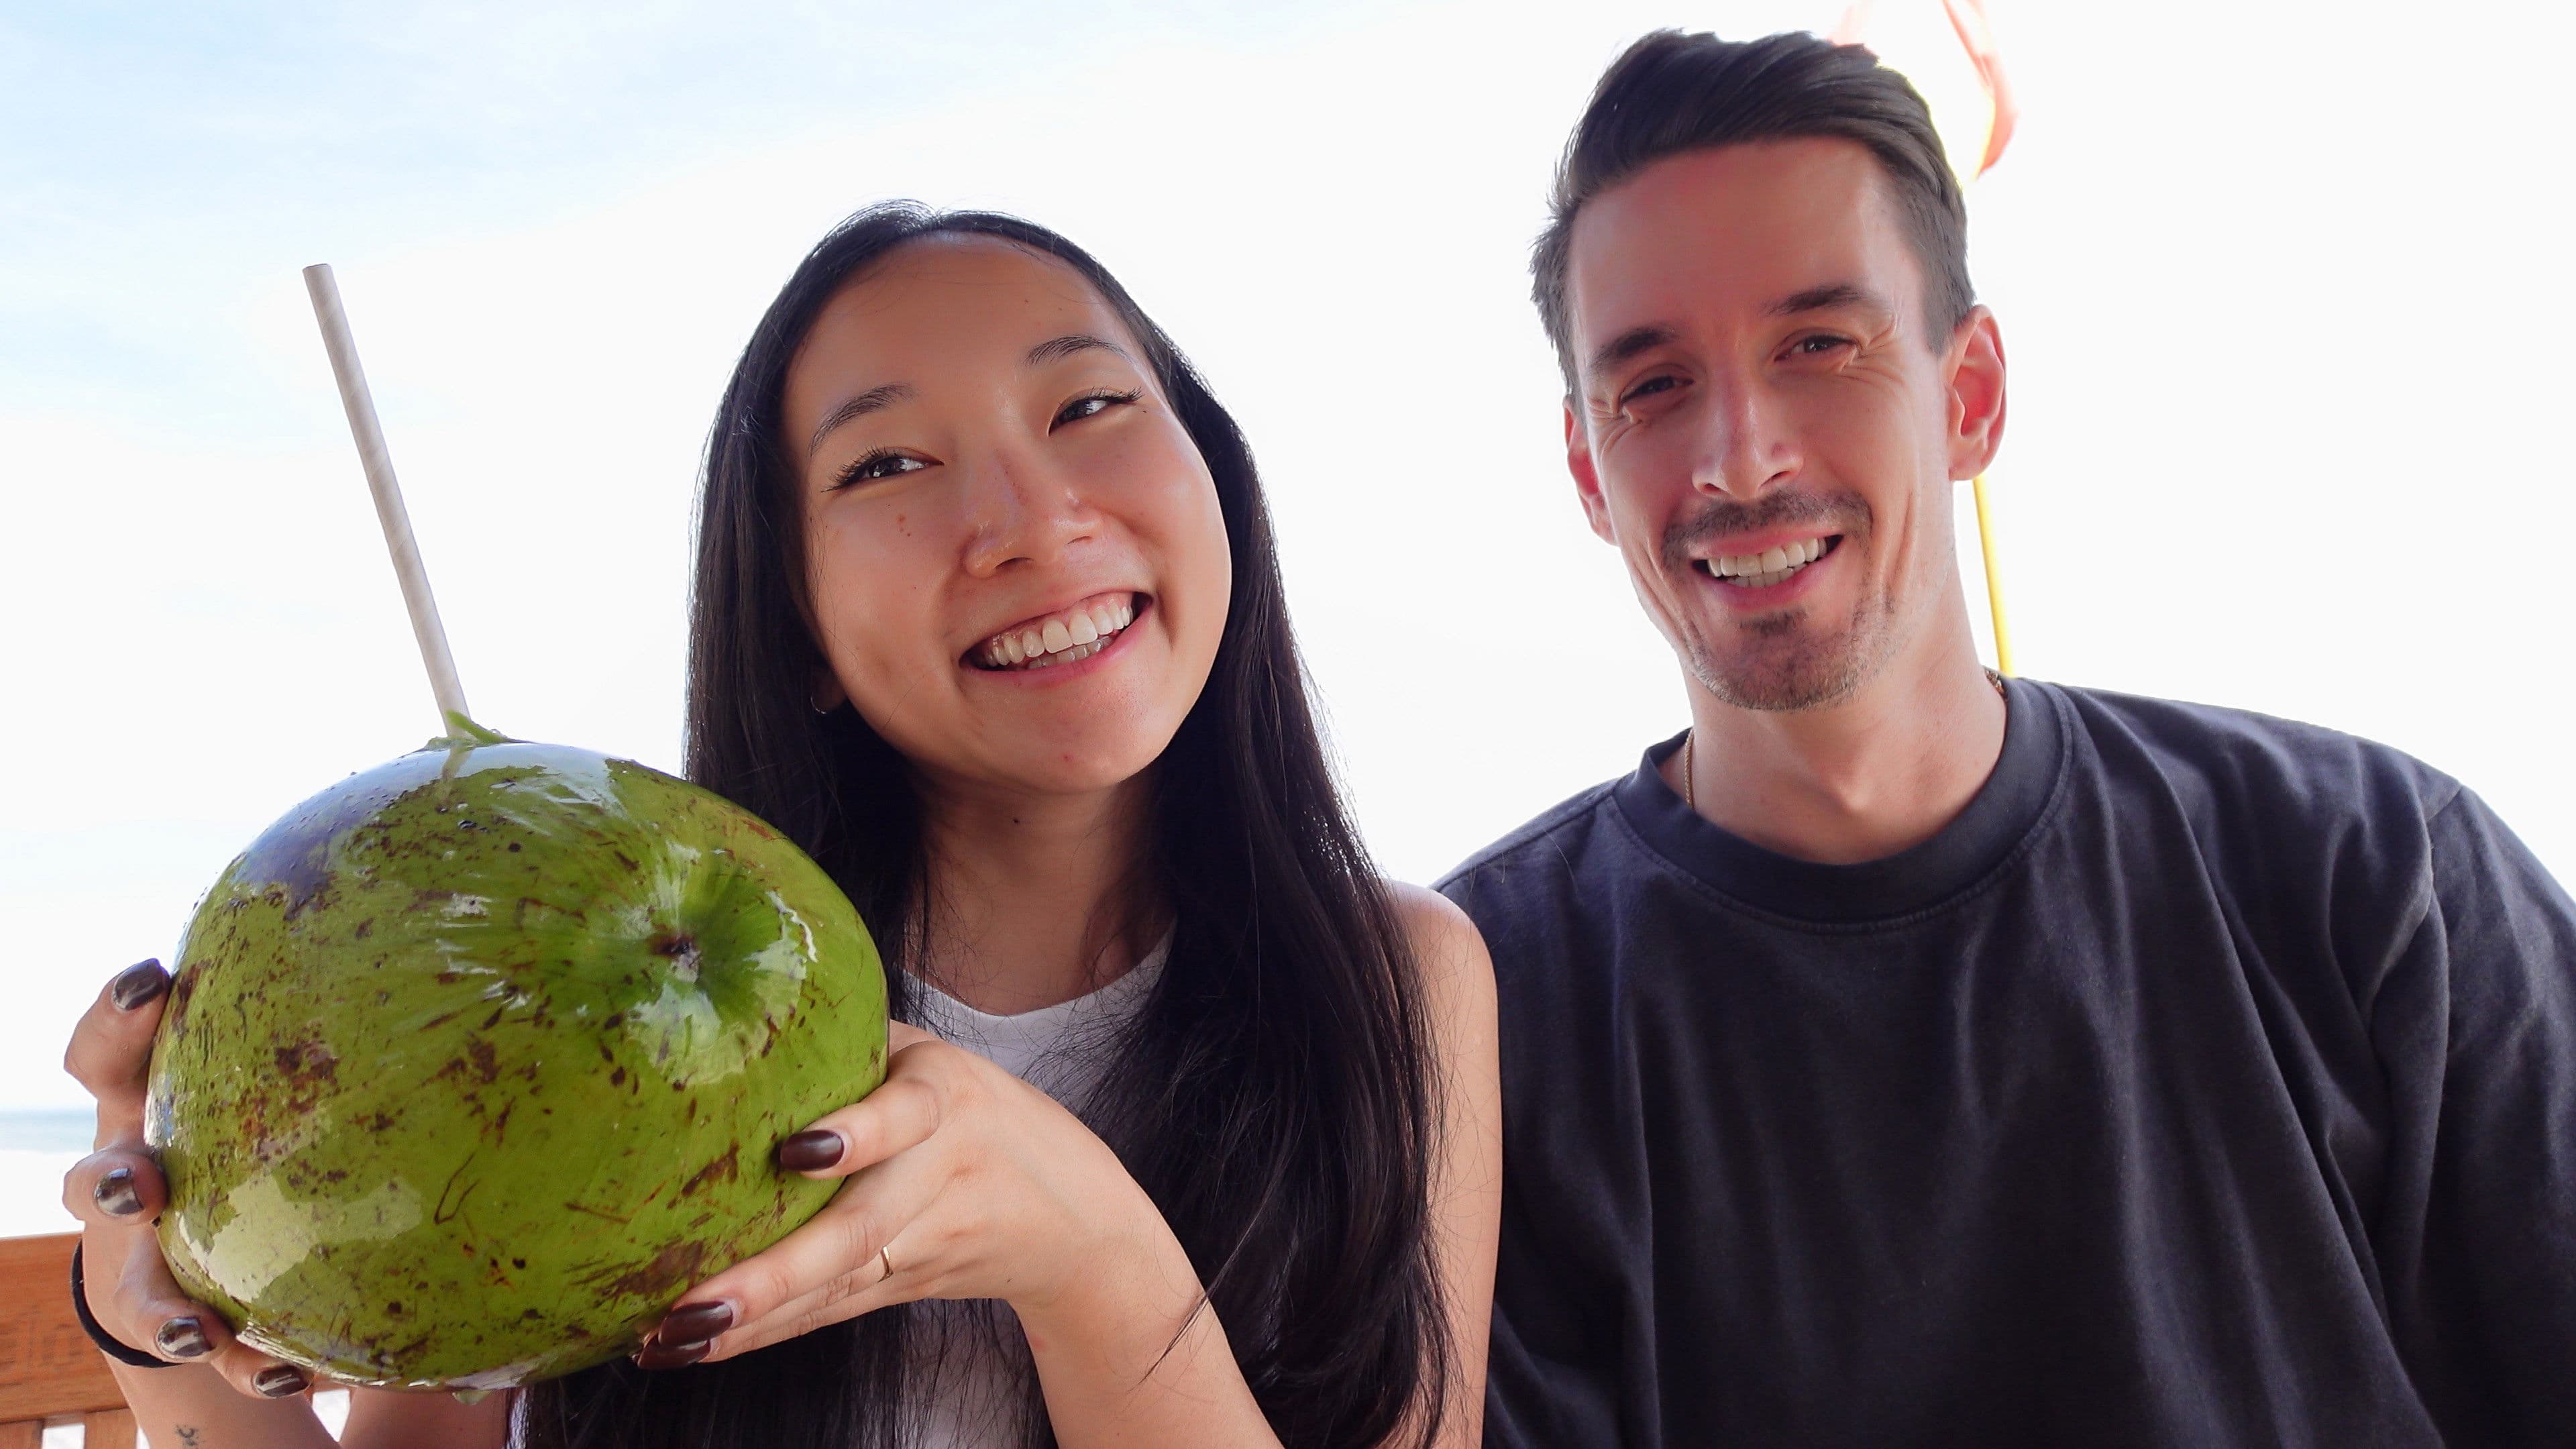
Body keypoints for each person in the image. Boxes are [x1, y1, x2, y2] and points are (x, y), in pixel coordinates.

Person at [61, 204, 1500, 1449]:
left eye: (1088, 408)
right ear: (795, 627)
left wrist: (1093, 1260)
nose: (1030, 515)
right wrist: (155, 1307)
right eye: (886, 466)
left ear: (1219, 484)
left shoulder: (1398, 979)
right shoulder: (601, 997)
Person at [1438, 28, 2576, 1449]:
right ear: (1586, 474)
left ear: (1968, 396)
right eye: (1654, 385)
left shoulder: (2379, 880)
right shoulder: (1468, 1028)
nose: (1740, 454)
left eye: (1819, 345)